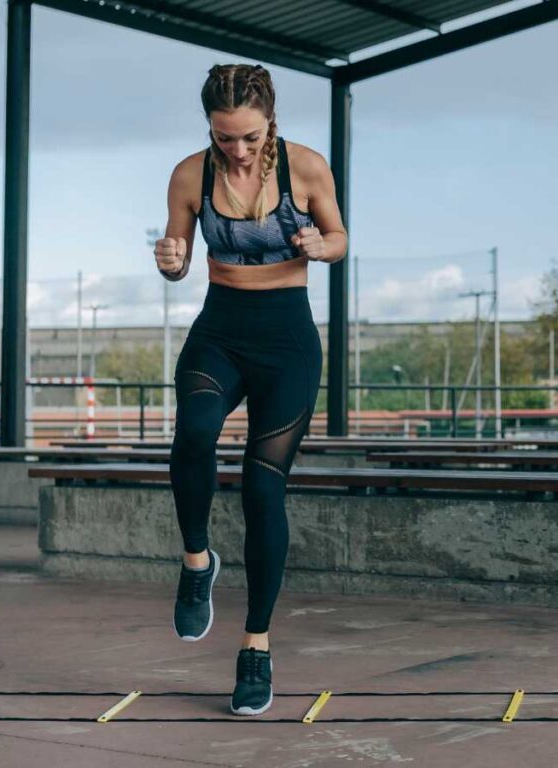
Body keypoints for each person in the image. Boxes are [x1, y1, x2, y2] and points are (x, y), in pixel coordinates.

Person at [153, 63, 347, 716]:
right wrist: (172, 261)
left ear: (271, 121)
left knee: (264, 487)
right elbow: (178, 255)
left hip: (288, 339)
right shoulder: (189, 175)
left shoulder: (307, 168)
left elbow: (340, 237)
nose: (237, 149)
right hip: (221, 329)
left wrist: (323, 246)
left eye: (249, 137)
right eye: (223, 137)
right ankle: (197, 561)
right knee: (195, 433)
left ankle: (256, 648)